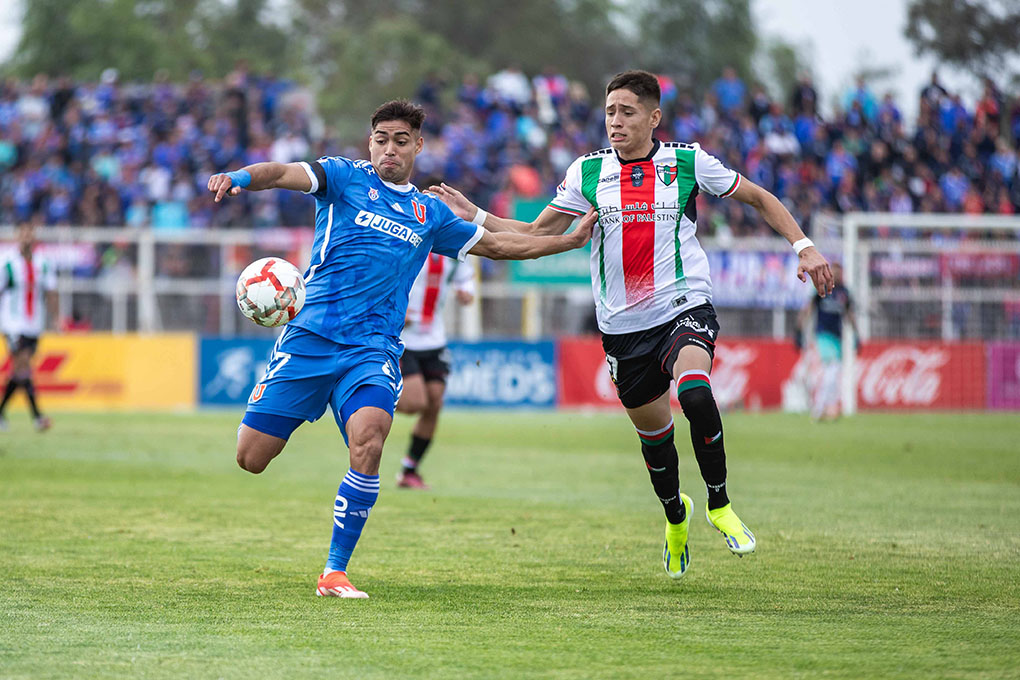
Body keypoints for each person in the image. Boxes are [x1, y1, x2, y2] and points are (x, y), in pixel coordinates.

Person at [430, 70, 833, 581]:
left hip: (683, 305)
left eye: (626, 111)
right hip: (622, 328)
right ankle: (676, 517)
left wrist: (805, 247)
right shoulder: (587, 172)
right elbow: (535, 232)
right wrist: (478, 215)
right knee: (657, 441)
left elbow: (759, 197)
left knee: (695, 393)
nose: (615, 122)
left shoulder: (687, 162)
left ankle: (719, 504)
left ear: (653, 117)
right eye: (609, 112)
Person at [207, 100, 595, 599]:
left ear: (418, 145)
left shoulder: (429, 213)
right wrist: (238, 177)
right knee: (251, 458)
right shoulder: (342, 178)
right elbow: (280, 172)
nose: (390, 148)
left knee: (370, 438)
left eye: (401, 140)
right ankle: (300, 413)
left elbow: (499, 246)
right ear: (370, 143)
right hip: (309, 340)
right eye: (382, 139)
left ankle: (334, 572)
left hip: (372, 349)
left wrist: (567, 243)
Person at [394, 252, 476, 489]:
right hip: (403, 338)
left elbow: (465, 276)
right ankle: (365, 398)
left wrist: (466, 291)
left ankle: (410, 471)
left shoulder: (453, 241)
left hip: (434, 337)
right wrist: (398, 311)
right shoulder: (407, 239)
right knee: (415, 402)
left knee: (434, 403)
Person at [0, 224, 57, 432]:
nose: (26, 237)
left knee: (19, 371)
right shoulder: (6, 262)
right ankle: (38, 417)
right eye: (22, 233)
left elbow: (51, 292)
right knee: (23, 364)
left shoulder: (44, 263)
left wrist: (57, 318)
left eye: (29, 233)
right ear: (17, 236)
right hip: (12, 322)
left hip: (34, 324)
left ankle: (1, 412)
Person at [798, 263, 857, 421]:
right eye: (835, 271)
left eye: (840, 271)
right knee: (832, 370)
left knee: (834, 373)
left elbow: (849, 313)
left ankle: (829, 409)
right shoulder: (821, 288)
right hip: (823, 335)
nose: (837, 274)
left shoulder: (844, 292)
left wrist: (856, 335)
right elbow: (808, 308)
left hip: (837, 337)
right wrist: (799, 329)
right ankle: (819, 408)